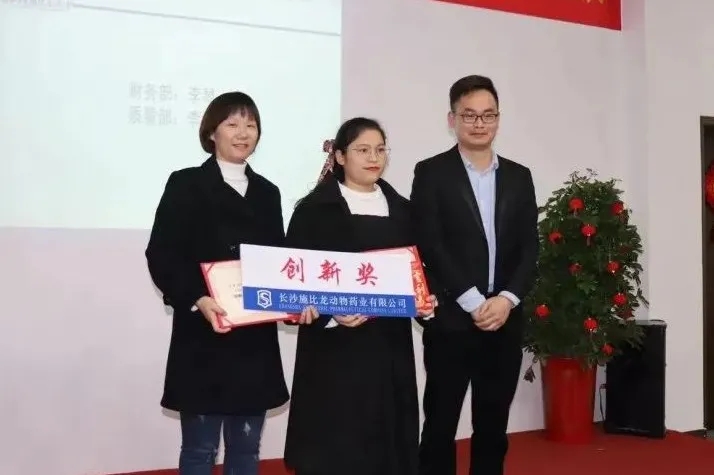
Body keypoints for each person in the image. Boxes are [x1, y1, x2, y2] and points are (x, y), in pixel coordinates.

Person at [145, 91, 289, 475]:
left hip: (254, 338)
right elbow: (162, 253)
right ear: (212, 132)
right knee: (200, 449)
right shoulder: (186, 184)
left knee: (246, 448)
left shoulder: (268, 192)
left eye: (251, 125)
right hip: (203, 333)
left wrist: (292, 299)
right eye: (232, 124)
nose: (243, 133)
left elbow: (276, 261)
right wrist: (198, 298)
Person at [283, 117, 436, 475]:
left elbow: (418, 271)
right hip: (334, 351)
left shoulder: (403, 210)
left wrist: (425, 303)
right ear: (339, 156)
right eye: (363, 150)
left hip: (389, 348)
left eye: (380, 150)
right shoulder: (313, 211)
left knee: (388, 446)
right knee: (337, 447)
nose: (373, 158)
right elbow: (292, 278)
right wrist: (330, 312)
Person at [410, 75, 539, 475]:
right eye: (469, 115)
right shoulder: (431, 172)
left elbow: (529, 247)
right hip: (452, 318)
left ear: (498, 118)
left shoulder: (519, 176)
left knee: (493, 427)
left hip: (504, 319)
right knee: (440, 424)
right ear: (452, 119)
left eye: (488, 115)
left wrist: (507, 299)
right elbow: (429, 243)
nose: (479, 123)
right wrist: (472, 299)